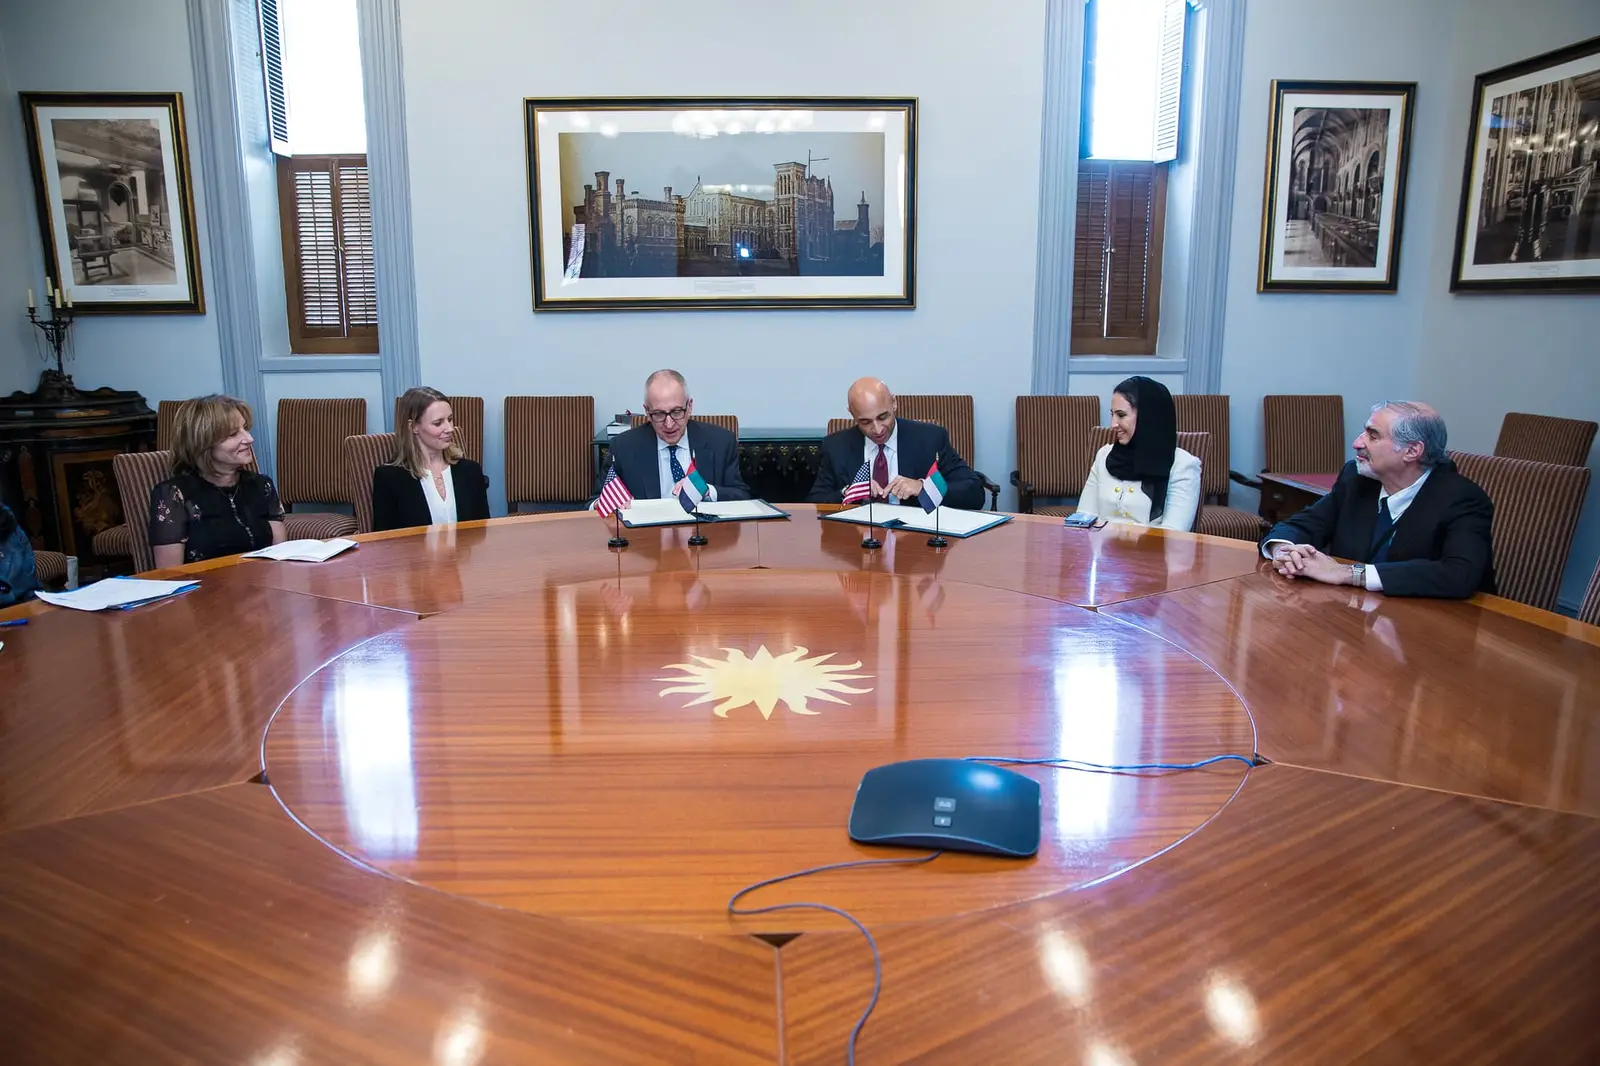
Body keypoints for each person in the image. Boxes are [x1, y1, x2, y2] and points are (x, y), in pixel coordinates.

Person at [1262, 400, 1495, 599]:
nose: (1357, 443)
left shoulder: (1462, 499)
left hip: (1431, 629)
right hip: (1353, 614)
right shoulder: (1357, 479)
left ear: (1412, 451)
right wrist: (1286, 552)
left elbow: (1458, 575)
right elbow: (1302, 524)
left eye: (1373, 436)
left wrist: (1347, 573)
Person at [149, 395, 287, 567]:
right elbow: (169, 576)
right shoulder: (174, 495)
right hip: (205, 591)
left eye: (245, 429)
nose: (249, 439)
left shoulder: (262, 486)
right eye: (233, 434)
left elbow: (280, 558)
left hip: (265, 587)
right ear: (202, 442)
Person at [807, 378, 984, 509]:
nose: (877, 430)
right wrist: (848, 492)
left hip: (917, 544)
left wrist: (923, 487)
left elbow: (974, 492)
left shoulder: (930, 439)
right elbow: (814, 503)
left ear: (894, 403)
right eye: (865, 422)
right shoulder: (836, 446)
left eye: (883, 417)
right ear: (852, 414)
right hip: (858, 543)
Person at [594, 369, 749, 502]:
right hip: (648, 535)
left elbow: (743, 497)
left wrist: (708, 491)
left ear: (689, 407)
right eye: (659, 414)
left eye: (676, 412)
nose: (669, 424)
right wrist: (613, 504)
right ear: (647, 412)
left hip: (705, 533)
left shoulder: (721, 442)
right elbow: (593, 503)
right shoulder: (623, 448)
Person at [1075, 376, 1201, 531]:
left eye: (1121, 415)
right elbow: (1083, 518)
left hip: (1152, 554)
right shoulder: (1104, 455)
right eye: (1112, 414)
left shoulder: (1182, 465)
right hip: (1100, 551)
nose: (1113, 424)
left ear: (1147, 417)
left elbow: (1173, 535)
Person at [372, 386, 491, 531]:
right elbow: (385, 542)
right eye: (438, 423)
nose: (449, 428)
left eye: (450, 419)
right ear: (413, 426)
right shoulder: (389, 478)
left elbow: (482, 531)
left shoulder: (470, 471)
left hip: (464, 553)